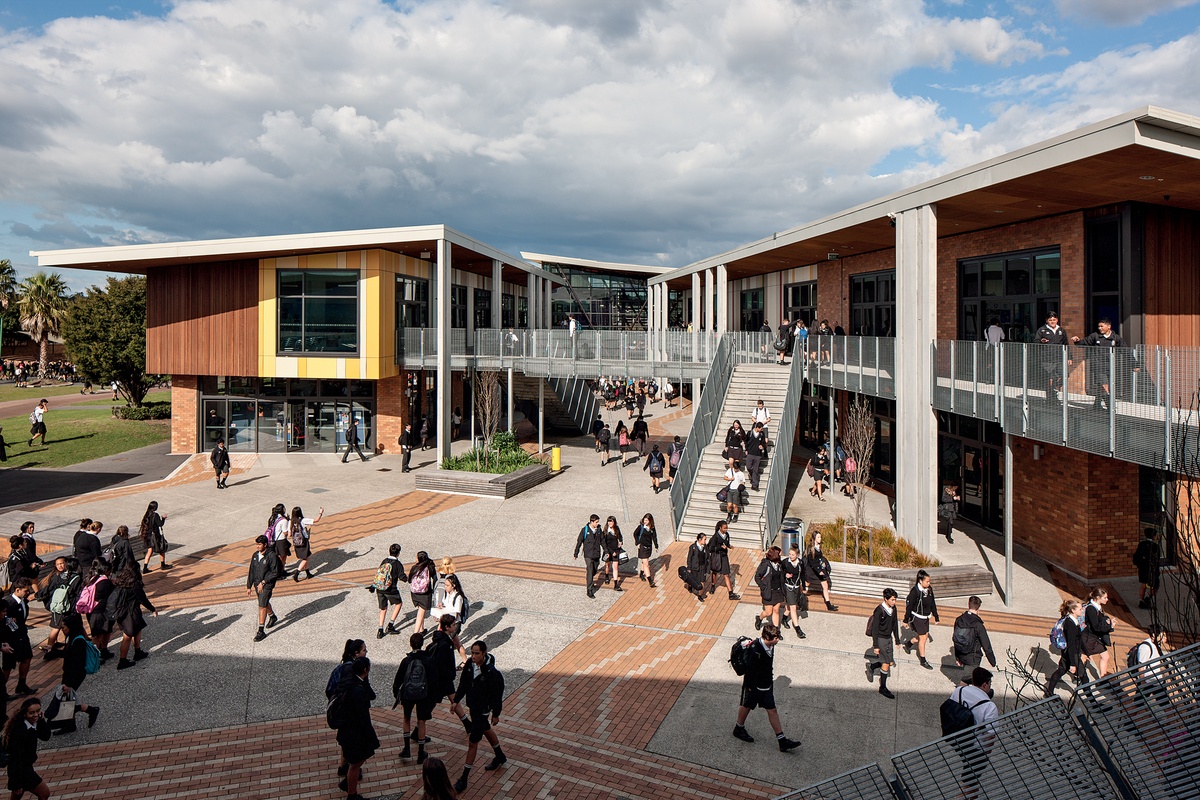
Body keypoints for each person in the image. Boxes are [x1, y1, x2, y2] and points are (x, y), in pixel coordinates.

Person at [730, 624, 801, 751]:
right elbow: (750, 670)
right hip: (754, 686)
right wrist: (750, 688)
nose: (778, 640)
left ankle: (781, 740)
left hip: (766, 686)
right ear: (768, 637)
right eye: (776, 637)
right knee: (746, 705)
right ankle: (738, 728)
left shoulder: (770, 646)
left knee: (772, 710)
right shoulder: (754, 650)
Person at [450, 641, 507, 793]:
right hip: (473, 707)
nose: (473, 656)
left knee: (472, 742)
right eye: (472, 653)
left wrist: (496, 714)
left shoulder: (491, 673)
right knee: (486, 729)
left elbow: (497, 695)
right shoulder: (469, 664)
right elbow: (463, 684)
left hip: (483, 710)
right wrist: (456, 701)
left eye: (476, 653)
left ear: (484, 653)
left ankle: (464, 778)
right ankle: (500, 756)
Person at [948, 667, 1000, 800]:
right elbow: (991, 733)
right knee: (969, 781)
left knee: (973, 779)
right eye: (989, 684)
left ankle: (974, 797)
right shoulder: (989, 707)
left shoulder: (960, 691)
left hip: (957, 739)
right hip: (976, 748)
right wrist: (985, 754)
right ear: (985, 684)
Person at [335, 656, 379, 800]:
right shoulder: (358, 691)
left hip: (346, 731)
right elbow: (363, 718)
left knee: (354, 762)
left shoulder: (349, 683)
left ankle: (348, 784)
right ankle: (352, 794)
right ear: (365, 670)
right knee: (356, 764)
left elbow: (371, 695)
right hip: (355, 734)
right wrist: (372, 737)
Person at [106, 564, 156, 669]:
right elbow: (143, 599)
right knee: (127, 636)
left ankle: (138, 652)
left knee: (137, 629)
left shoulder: (120, 582)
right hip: (131, 613)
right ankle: (122, 661)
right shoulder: (135, 584)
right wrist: (152, 609)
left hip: (122, 613)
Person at [394, 632, 433, 763]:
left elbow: (398, 679)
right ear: (422, 644)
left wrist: (397, 694)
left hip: (408, 694)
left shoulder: (406, 661)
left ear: (410, 644)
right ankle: (421, 752)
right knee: (421, 721)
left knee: (406, 718)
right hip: (423, 695)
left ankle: (406, 749)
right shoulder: (427, 660)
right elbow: (433, 679)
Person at [57, 613, 101, 731]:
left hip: (73, 675)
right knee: (67, 699)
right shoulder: (73, 638)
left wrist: (69, 683)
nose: (62, 630)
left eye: (63, 627)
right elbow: (69, 654)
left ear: (71, 627)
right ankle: (70, 723)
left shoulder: (78, 641)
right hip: (71, 673)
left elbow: (76, 663)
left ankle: (90, 711)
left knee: (67, 699)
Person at [1071, 318, 1127, 410]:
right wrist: (1077, 341)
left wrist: (1134, 364)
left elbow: (1126, 351)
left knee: (1103, 386)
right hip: (1098, 366)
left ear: (1109, 326)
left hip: (1110, 366)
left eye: (1102, 326)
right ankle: (1110, 407)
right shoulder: (1095, 336)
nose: (1100, 328)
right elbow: (1084, 343)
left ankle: (1096, 406)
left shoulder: (1116, 338)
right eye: (1099, 326)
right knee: (1104, 385)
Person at [3, 697, 51, 800]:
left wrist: (42, 720)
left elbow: (45, 736)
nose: (36, 715)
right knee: (44, 793)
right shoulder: (20, 731)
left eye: (38, 711)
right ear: (25, 714)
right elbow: (15, 758)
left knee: (17, 796)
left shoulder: (33, 723)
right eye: (32, 712)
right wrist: (16, 783)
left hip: (26, 767)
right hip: (22, 770)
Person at [1044, 599, 1085, 697]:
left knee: (1061, 670)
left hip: (1069, 653)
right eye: (1080, 609)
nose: (1082, 610)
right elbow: (1071, 644)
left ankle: (1049, 692)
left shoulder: (1072, 621)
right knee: (1084, 677)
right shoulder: (1070, 624)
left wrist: (1086, 652)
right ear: (1073, 610)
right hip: (1072, 654)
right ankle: (1092, 702)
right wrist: (1073, 664)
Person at [2, 579, 36, 699]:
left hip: (22, 635)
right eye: (26, 590)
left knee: (27, 657)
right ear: (18, 590)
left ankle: (21, 685)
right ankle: (2, 691)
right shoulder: (8, 603)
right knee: (8, 666)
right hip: (10, 639)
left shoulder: (23, 601)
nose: (28, 592)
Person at [952, 596, 998, 683]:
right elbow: (986, 645)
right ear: (979, 608)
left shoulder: (959, 620)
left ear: (968, 605)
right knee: (966, 680)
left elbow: (956, 639)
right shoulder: (978, 625)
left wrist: (957, 657)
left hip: (961, 654)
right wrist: (992, 661)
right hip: (973, 657)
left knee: (972, 679)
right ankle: (958, 695)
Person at [866, 588, 902, 699]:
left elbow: (895, 623)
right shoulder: (879, 610)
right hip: (881, 639)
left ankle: (872, 666)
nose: (894, 602)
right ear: (885, 599)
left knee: (889, 662)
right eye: (892, 600)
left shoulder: (893, 608)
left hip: (888, 638)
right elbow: (875, 629)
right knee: (886, 663)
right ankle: (883, 688)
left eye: (895, 600)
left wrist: (897, 639)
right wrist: (875, 645)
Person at [246, 535, 282, 642]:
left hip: (267, 584)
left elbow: (275, 572)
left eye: (259, 544)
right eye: (256, 544)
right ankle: (272, 616)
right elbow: (251, 570)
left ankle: (261, 631)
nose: (257, 546)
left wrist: (264, 582)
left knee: (261, 605)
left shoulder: (271, 556)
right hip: (257, 584)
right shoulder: (255, 556)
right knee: (264, 602)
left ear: (265, 545)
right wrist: (249, 585)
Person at [903, 570, 940, 670]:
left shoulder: (929, 589)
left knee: (925, 636)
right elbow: (909, 606)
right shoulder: (915, 591)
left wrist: (936, 615)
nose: (929, 583)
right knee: (923, 638)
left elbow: (932, 603)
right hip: (917, 617)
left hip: (925, 617)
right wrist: (906, 620)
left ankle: (908, 644)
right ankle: (923, 660)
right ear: (920, 581)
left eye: (929, 581)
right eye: (927, 581)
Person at [367, 543, 406, 638]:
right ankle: (391, 624)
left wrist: (374, 585)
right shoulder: (398, 564)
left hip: (380, 589)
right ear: (398, 553)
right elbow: (403, 577)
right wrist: (407, 578)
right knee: (399, 603)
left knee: (383, 608)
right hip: (391, 589)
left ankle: (380, 629)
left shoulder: (384, 561)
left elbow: (379, 574)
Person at [1034, 312, 1071, 402]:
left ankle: (1055, 391)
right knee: (1050, 378)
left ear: (1057, 320)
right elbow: (1035, 341)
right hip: (1047, 359)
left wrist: (1069, 357)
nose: (1052, 322)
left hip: (1059, 358)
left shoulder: (1061, 330)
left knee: (1064, 375)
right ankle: (1050, 397)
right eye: (1050, 320)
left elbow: (1066, 344)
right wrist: (1041, 341)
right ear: (1047, 321)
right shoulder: (1042, 330)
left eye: (1054, 320)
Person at [1082, 587, 1117, 677]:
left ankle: (1102, 677)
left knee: (1105, 656)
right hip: (1089, 638)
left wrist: (1108, 623)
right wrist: (1109, 626)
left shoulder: (1098, 608)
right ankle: (1078, 674)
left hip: (1094, 638)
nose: (1107, 599)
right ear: (1098, 597)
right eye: (1105, 598)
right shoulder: (1091, 609)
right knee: (1084, 657)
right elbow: (1096, 627)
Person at [802, 531, 838, 611]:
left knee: (825, 585)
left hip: (818, 570)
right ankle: (798, 597)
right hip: (812, 571)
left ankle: (829, 605)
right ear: (814, 538)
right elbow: (811, 562)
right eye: (818, 537)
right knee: (806, 584)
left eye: (820, 537)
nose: (820, 539)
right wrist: (819, 571)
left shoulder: (818, 547)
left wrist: (823, 564)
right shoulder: (811, 549)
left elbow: (819, 559)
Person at [288, 505, 324, 582]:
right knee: (306, 558)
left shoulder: (291, 522)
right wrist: (320, 513)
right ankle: (297, 573)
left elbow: (289, 534)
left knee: (305, 557)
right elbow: (316, 520)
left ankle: (308, 573)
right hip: (303, 542)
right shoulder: (303, 520)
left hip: (296, 543)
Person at [753, 546, 784, 631]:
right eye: (780, 553)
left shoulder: (779, 564)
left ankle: (776, 630)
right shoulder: (765, 565)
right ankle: (759, 618)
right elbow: (757, 577)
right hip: (769, 592)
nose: (781, 555)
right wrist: (763, 587)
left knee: (776, 610)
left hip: (778, 591)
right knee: (768, 612)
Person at [707, 521, 740, 600]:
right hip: (717, 556)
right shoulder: (715, 537)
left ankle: (730, 593)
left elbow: (727, 543)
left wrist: (729, 546)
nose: (726, 529)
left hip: (724, 557)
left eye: (727, 528)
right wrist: (720, 547)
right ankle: (713, 585)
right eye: (724, 528)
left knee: (726, 574)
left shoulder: (727, 535)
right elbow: (711, 548)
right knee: (714, 572)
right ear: (720, 528)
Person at [780, 544, 807, 640]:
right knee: (793, 608)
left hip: (796, 587)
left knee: (789, 606)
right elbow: (780, 571)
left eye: (793, 554)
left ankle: (783, 619)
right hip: (788, 587)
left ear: (797, 555)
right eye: (790, 554)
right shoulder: (785, 563)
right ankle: (798, 629)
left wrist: (803, 586)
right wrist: (785, 574)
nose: (790, 556)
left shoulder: (800, 563)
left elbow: (803, 575)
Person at [573, 515, 603, 599]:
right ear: (592, 522)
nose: (598, 523)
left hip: (596, 553)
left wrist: (606, 551)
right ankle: (589, 589)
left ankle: (590, 580)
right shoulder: (585, 530)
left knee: (594, 569)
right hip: (588, 554)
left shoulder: (599, 530)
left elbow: (602, 541)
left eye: (598, 522)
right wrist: (576, 553)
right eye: (596, 522)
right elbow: (579, 541)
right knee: (590, 570)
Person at [408, 551, 438, 633]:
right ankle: (415, 633)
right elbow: (435, 579)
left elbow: (409, 580)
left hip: (414, 592)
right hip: (425, 593)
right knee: (421, 613)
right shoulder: (430, 567)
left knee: (420, 611)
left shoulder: (415, 567)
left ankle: (422, 629)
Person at [139, 500, 170, 574]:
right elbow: (160, 524)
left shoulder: (146, 515)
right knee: (161, 548)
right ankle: (163, 564)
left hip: (148, 535)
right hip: (155, 536)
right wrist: (163, 518)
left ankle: (145, 567)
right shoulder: (155, 515)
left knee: (150, 551)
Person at [1134, 527, 1161, 610]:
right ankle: (1148, 598)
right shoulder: (1155, 546)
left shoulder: (1141, 544)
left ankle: (1141, 600)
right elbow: (1157, 559)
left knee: (1144, 584)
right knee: (1155, 585)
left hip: (1143, 568)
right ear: (1154, 536)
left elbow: (1137, 555)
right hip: (1152, 569)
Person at [633, 513, 658, 588]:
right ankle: (650, 581)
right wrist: (637, 543)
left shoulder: (652, 528)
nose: (645, 522)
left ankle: (641, 574)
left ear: (650, 521)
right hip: (642, 547)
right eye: (644, 520)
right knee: (646, 564)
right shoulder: (641, 527)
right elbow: (635, 534)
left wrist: (656, 546)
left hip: (649, 547)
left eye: (647, 520)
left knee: (645, 562)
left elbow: (654, 537)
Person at [600, 516, 624, 591]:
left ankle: (616, 584)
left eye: (611, 521)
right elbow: (604, 543)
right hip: (608, 551)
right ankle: (607, 576)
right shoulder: (605, 531)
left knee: (615, 567)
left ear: (614, 522)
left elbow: (620, 536)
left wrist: (620, 541)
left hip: (616, 550)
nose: (610, 523)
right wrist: (611, 552)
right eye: (609, 521)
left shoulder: (616, 529)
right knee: (607, 565)